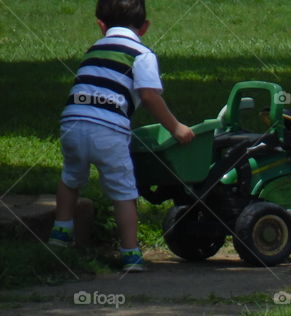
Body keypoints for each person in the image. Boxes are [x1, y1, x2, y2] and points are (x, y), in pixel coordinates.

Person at [49, 0, 194, 272]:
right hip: (109, 129)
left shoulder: (93, 49)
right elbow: (150, 95)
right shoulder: (142, 54)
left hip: (72, 123)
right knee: (124, 192)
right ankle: (130, 253)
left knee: (71, 177)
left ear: (101, 25)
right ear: (145, 27)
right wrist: (176, 127)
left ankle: (61, 232)